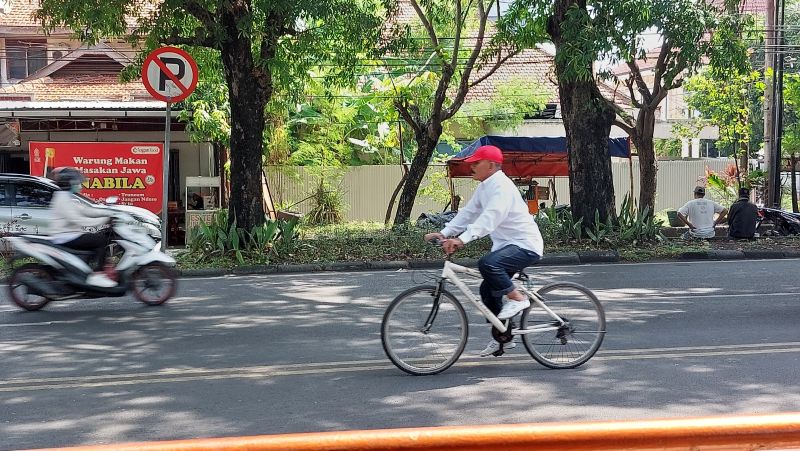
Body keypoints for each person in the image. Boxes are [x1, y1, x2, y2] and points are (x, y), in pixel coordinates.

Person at [424, 145, 544, 357]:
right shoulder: (484, 188)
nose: (472, 166)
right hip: (506, 247)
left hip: (525, 245)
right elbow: (468, 214)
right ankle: (504, 338)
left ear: (490, 165)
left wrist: (461, 240)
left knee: (488, 264)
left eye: (476, 163)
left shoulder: (502, 188)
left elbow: (490, 219)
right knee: (487, 291)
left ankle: (517, 298)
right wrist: (444, 233)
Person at [47, 167, 117, 287]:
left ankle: (89, 270)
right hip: (65, 236)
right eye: (77, 182)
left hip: (71, 234)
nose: (80, 185)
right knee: (99, 240)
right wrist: (104, 220)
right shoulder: (63, 199)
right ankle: (98, 273)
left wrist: (109, 212)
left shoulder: (68, 197)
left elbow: (87, 211)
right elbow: (79, 220)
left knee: (99, 237)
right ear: (68, 183)